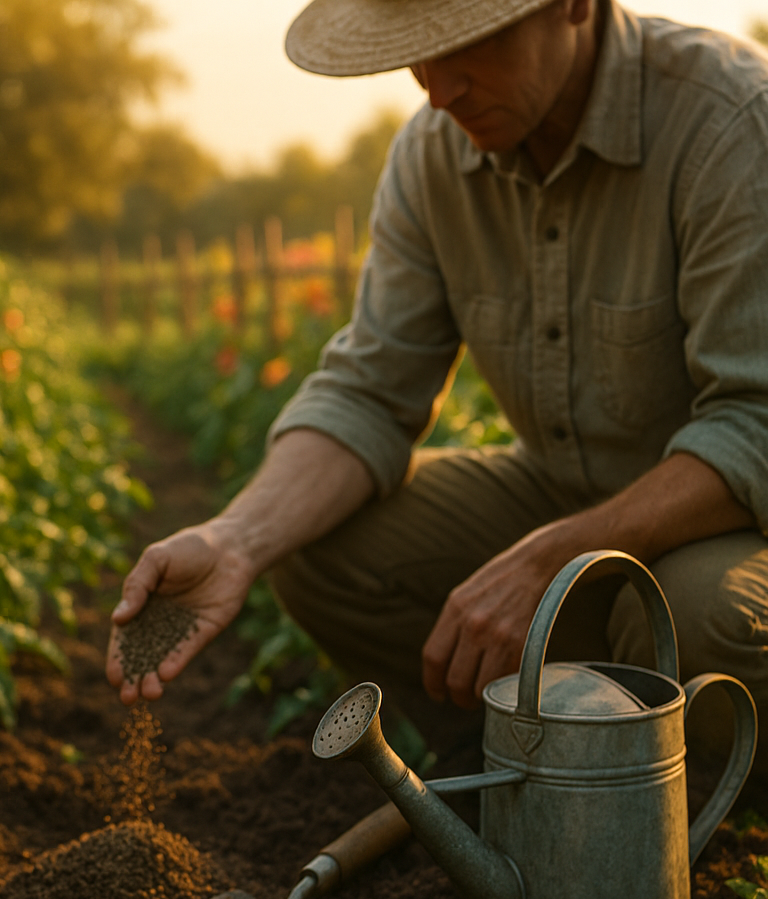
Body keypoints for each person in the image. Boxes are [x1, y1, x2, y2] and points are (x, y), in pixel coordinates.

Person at [106, 0, 768, 758]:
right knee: (320, 547)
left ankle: (674, 823)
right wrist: (235, 539)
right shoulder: (430, 157)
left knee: (699, 617)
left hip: (734, 532)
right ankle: (521, 775)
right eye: (415, 52)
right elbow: (369, 391)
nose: (436, 89)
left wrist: (553, 559)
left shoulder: (732, 121)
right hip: (564, 497)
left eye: (469, 44)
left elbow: (757, 422)